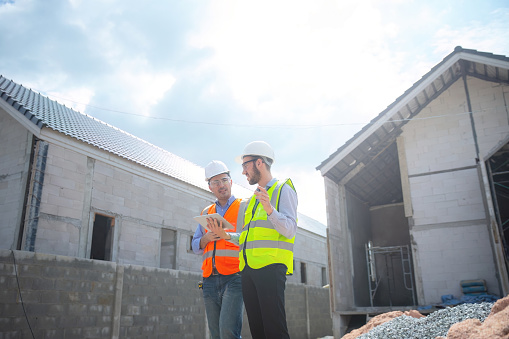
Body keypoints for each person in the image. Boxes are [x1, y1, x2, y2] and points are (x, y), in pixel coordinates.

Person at [209, 141, 298, 339]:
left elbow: (290, 230)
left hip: (270, 267)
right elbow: (248, 237)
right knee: (258, 331)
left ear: (259, 163)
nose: (243, 172)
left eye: (245, 165)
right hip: (248, 270)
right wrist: (227, 236)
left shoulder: (283, 189)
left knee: (274, 331)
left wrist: (270, 210)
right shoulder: (253, 199)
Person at [191, 160, 245, 339]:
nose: (221, 185)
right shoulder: (207, 212)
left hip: (234, 277)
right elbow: (194, 246)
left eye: (224, 180)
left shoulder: (244, 208)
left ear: (231, 182)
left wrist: (227, 235)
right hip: (209, 280)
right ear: (210, 187)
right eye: (216, 182)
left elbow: (250, 240)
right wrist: (204, 239)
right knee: (216, 334)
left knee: (228, 332)